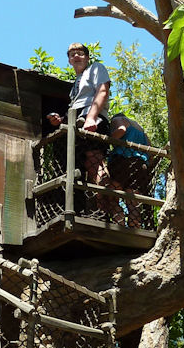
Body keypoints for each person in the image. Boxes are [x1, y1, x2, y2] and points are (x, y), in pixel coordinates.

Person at [47, 43, 123, 221]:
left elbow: (103, 90)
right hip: (77, 121)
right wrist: (61, 120)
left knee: (95, 162)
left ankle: (112, 210)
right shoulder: (76, 82)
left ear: (87, 57)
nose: (76, 56)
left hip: (91, 119)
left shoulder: (96, 68)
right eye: (72, 54)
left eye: (80, 53)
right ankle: (100, 211)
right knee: (87, 167)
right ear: (69, 60)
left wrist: (91, 118)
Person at [108, 112, 151, 228]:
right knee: (133, 202)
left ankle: (119, 223)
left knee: (113, 197)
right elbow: (149, 147)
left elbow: (121, 130)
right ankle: (134, 226)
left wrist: (108, 140)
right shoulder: (140, 129)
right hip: (140, 164)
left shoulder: (118, 119)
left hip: (122, 160)